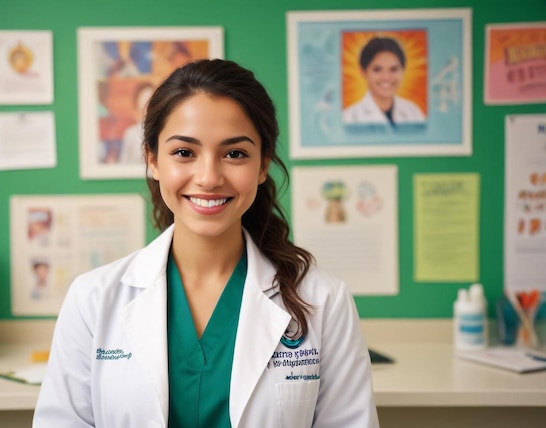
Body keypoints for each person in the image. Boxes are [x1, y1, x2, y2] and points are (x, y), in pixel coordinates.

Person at [33, 59, 378, 428]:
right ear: (152, 159)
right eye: (184, 152)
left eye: (235, 153)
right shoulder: (92, 300)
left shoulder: (324, 301)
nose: (209, 177)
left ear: (263, 165)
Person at [343, 36, 426, 126]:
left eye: (393, 69)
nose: (386, 77)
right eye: (377, 70)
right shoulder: (349, 117)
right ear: (363, 72)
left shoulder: (413, 112)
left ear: (403, 70)